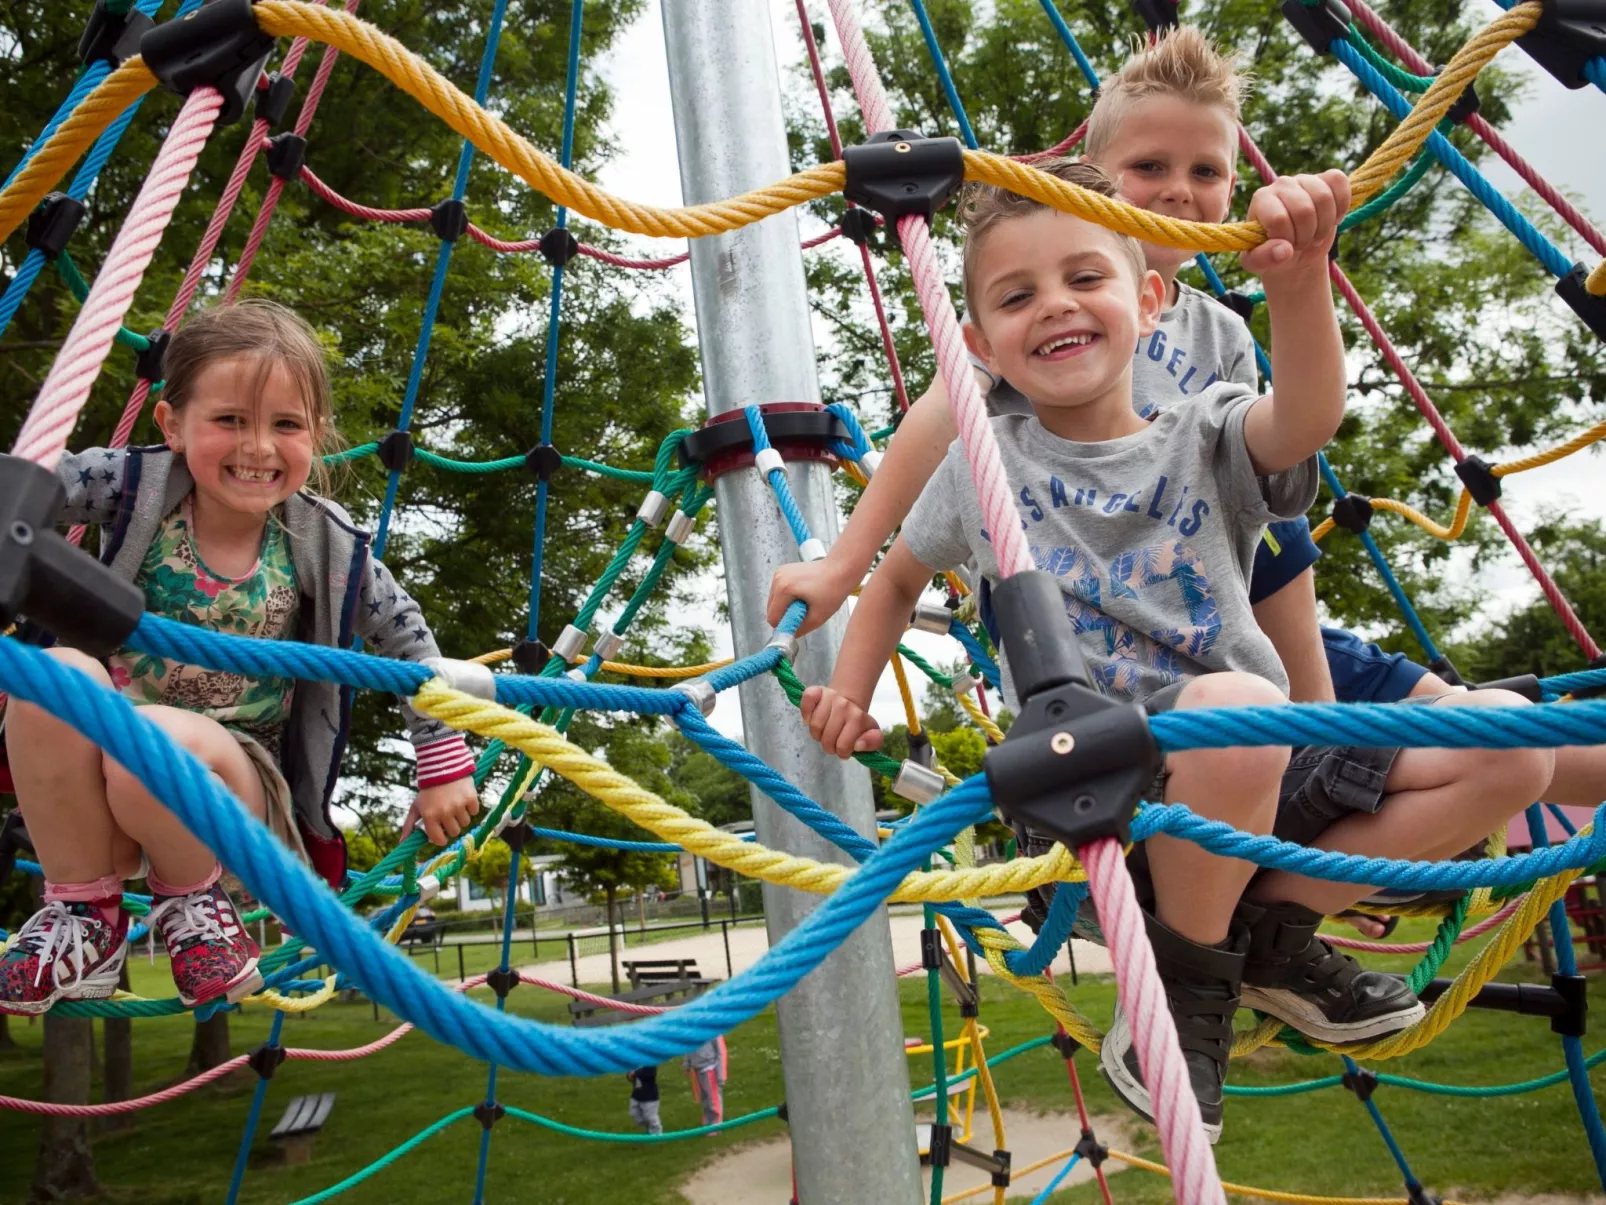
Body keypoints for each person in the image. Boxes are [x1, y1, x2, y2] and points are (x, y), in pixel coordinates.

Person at [799, 160, 1551, 1141]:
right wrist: (851, 692)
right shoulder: (984, 463)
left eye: (1084, 277)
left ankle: (1264, 939)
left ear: (1149, 299)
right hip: (1098, 784)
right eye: (1017, 295)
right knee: (1237, 701)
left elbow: (1307, 418)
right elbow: (895, 577)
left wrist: (1298, 281)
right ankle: (1180, 989)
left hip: (1252, 761)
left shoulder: (1209, 433)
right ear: (978, 345)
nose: (1055, 306)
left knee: (1514, 742)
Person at [768, 27, 1334, 707]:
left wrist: (1301, 280)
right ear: (1093, 175)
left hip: (1189, 596)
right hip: (1060, 578)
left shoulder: (1221, 330)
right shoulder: (1032, 312)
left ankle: (1312, 728)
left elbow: (1282, 448)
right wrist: (842, 565)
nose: (1180, 191)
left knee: (1280, 522)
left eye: (1205, 172)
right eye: (1150, 167)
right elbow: (944, 417)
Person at [0, 299, 481, 1016]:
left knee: (156, 741)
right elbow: (31, 485)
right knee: (50, 674)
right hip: (102, 786)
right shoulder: (131, 485)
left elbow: (407, 636)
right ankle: (84, 913)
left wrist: (442, 762)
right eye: (229, 420)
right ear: (172, 424)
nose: (257, 447)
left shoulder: (324, 543)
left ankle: (197, 906)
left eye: (285, 425)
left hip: (233, 790)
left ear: (315, 436)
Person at [683, 1035, 728, 1130]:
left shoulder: (714, 1032)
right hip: (697, 1070)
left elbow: (721, 1052)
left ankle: (716, 1125)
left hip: (710, 1069)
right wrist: (687, 1064)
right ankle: (707, 1123)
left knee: (713, 1100)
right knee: (704, 1099)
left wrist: (721, 1075)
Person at [626, 1065, 663, 1135]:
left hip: (650, 1096)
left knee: (650, 1116)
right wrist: (629, 1076)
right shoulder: (635, 1064)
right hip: (636, 1094)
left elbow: (649, 1075)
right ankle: (649, 1128)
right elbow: (629, 1074)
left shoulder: (651, 1064)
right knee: (634, 1113)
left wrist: (635, 1073)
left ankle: (657, 1134)